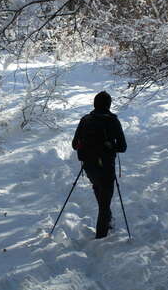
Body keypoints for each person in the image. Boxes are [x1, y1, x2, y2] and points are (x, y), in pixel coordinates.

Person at [72, 91, 127, 239]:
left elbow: (74, 144)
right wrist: (109, 146)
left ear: (94, 104)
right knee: (104, 203)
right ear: (109, 105)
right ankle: (101, 238)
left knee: (100, 193)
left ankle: (107, 221)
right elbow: (122, 147)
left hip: (89, 167)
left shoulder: (85, 120)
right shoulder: (113, 121)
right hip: (106, 168)